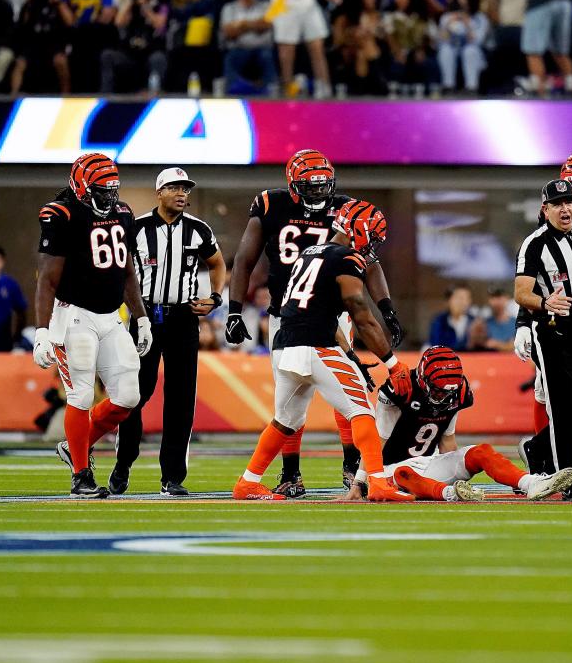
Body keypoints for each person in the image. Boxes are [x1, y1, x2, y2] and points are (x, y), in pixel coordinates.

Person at [224, 150, 403, 497]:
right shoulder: (345, 257)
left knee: (285, 417)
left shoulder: (310, 254)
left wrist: (349, 349)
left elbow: (315, 309)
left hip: (290, 338)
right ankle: (377, 482)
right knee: (361, 410)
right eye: (373, 238)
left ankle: (247, 482)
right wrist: (391, 363)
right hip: (319, 340)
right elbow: (358, 311)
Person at [35, 154, 152, 497]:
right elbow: (47, 279)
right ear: (82, 187)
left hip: (110, 315)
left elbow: (126, 270)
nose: (110, 197)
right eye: (102, 190)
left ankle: (76, 446)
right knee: (82, 394)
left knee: (129, 396)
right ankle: (81, 477)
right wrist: (42, 331)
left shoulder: (123, 213)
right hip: (74, 315)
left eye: (113, 189)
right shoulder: (62, 214)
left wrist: (141, 316)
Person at [108, 168, 225, 496]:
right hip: (146, 316)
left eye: (185, 188)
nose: (181, 193)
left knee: (181, 398)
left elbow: (217, 264)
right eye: (173, 187)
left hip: (183, 318)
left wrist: (215, 297)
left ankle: (172, 476)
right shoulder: (138, 228)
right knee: (134, 393)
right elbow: (121, 269)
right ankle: (124, 461)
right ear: (159, 192)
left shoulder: (199, 230)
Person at [346, 346, 572, 501]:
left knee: (481, 451)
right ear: (423, 380)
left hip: (428, 462)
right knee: (405, 473)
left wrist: (456, 466)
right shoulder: (401, 390)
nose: (442, 398)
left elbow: (447, 442)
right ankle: (449, 493)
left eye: (447, 393)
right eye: (437, 391)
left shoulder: (457, 392)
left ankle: (530, 483)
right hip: (389, 470)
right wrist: (360, 482)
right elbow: (377, 442)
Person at [514, 179, 572, 501]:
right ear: (546, 209)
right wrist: (544, 303)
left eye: (568, 201)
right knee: (563, 406)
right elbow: (521, 293)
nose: (565, 208)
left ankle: (536, 447)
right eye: (557, 204)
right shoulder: (535, 243)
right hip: (552, 330)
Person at [219, 0, 277, 95]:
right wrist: (254, 25)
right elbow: (229, 32)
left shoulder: (265, 5)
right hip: (238, 49)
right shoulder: (229, 8)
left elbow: (266, 25)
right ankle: (234, 88)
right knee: (231, 58)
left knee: (266, 56)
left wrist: (242, 24)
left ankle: (271, 91)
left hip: (262, 49)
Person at [435, 0, 488, 94]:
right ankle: (448, 85)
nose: (462, 8)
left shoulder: (480, 18)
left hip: (474, 53)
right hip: (453, 51)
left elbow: (478, 41)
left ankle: (472, 87)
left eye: (465, 4)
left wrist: (467, 24)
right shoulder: (447, 17)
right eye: (460, 4)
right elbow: (441, 40)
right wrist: (448, 24)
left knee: (469, 50)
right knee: (446, 50)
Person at [469, 286, 516, 352]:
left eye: (499, 297)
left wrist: (497, 344)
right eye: (493, 297)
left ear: (507, 298)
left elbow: (516, 347)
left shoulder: (516, 323)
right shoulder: (484, 323)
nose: (496, 302)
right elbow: (474, 346)